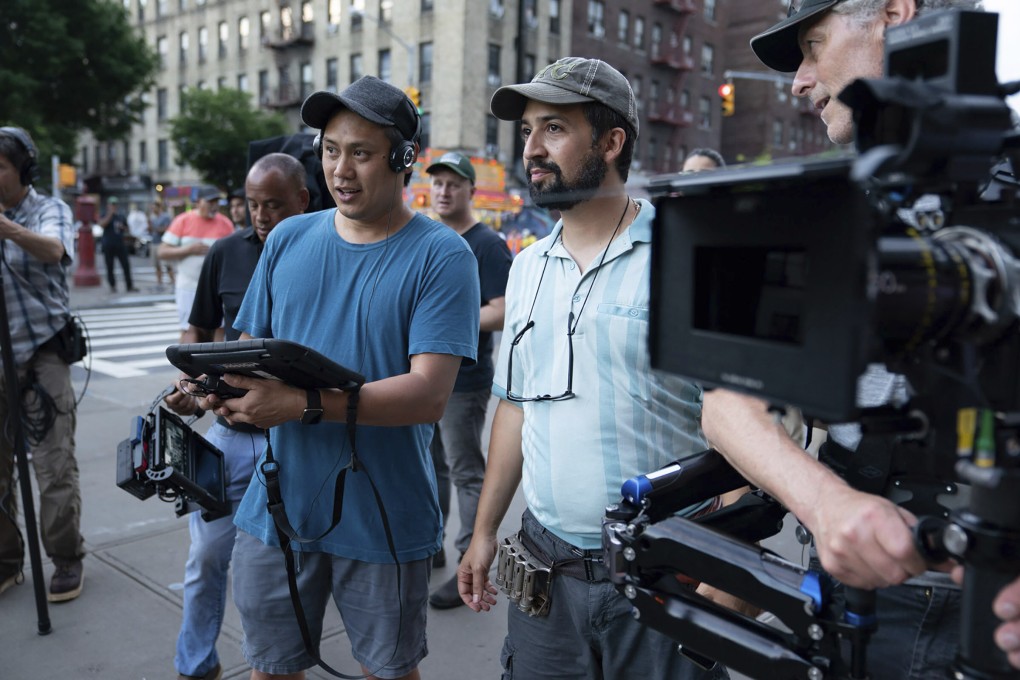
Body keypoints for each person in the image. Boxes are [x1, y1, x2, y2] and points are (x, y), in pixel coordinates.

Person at [699, 1, 987, 678]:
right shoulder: (825, 206)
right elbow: (728, 406)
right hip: (865, 594)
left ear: (894, 12)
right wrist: (825, 505)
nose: (800, 81)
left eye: (814, 45)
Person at [201, 76, 480, 680]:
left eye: (361, 152)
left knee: (388, 671)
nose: (340, 170)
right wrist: (218, 388)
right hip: (276, 512)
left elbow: (428, 394)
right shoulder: (288, 238)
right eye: (330, 150)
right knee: (271, 668)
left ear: (404, 159)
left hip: (383, 517)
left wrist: (299, 404)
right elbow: (249, 350)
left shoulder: (443, 256)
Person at [457, 57, 726, 680]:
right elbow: (515, 407)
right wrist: (482, 531)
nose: (531, 149)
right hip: (546, 575)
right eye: (526, 131)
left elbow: (745, 423)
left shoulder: (688, 257)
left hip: (666, 574)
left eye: (553, 128)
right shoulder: (526, 268)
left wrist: (726, 560)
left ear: (611, 142)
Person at [163, 153, 310, 680]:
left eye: (273, 204)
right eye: (251, 205)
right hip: (229, 434)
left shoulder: (321, 253)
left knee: (283, 565)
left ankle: (276, 659)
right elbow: (197, 331)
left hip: (296, 438)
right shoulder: (225, 252)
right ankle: (196, 662)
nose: (261, 215)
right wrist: (187, 382)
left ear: (302, 201)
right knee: (206, 557)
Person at [423, 151, 512, 609]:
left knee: (465, 470)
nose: (443, 190)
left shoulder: (487, 243)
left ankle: (468, 564)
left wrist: (446, 321)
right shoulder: (428, 238)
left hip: (466, 380)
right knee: (430, 467)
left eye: (453, 184)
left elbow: (501, 310)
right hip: (422, 378)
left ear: (470, 191)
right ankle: (431, 546)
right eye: (437, 183)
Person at [0, 126, 85, 602]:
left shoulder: (49, 209)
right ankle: (7, 561)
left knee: (53, 465)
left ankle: (66, 557)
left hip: (44, 353)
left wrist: (6, 226)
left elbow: (55, 249)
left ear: (22, 170)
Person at [158, 187, 233, 340]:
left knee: (219, 328)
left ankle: (216, 364)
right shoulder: (183, 220)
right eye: (210, 202)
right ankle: (186, 364)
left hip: (217, 289)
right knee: (188, 329)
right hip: (188, 287)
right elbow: (162, 251)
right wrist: (188, 249)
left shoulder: (225, 224)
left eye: (216, 202)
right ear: (198, 203)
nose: (214, 206)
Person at [98, 196, 138, 293]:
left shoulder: (121, 215)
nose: (113, 206)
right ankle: (112, 286)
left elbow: (127, 229)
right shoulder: (104, 214)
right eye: (111, 204)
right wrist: (110, 214)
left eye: (114, 204)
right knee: (110, 266)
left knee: (126, 265)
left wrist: (123, 228)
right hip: (108, 244)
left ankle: (129, 286)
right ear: (108, 205)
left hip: (120, 243)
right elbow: (102, 224)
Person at [149, 201, 175, 288]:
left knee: (167, 264)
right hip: (154, 242)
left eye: (154, 207)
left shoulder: (165, 217)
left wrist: (156, 229)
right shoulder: (152, 218)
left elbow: (167, 229)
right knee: (157, 265)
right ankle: (159, 282)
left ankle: (172, 281)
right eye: (151, 208)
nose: (152, 209)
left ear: (158, 207)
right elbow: (150, 230)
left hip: (163, 243)